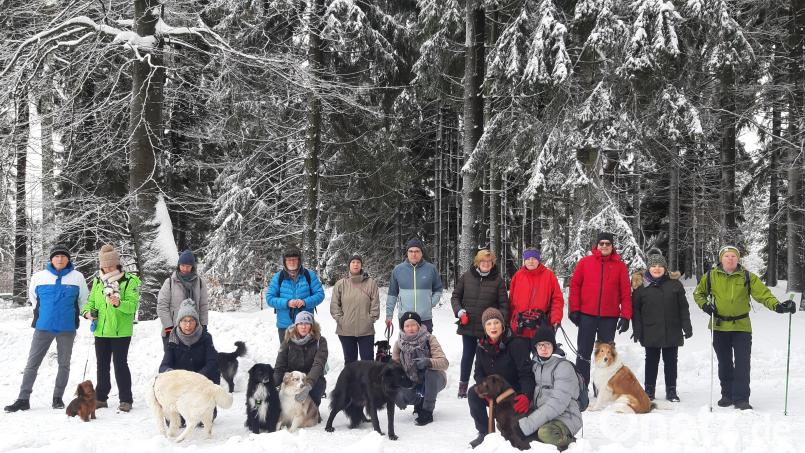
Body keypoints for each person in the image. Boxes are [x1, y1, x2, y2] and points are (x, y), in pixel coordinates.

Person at [693, 245, 796, 410]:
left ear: (738, 259)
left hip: (742, 327)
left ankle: (741, 398)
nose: (730, 259)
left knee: (742, 363)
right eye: (727, 256)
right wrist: (705, 305)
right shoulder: (711, 276)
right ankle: (727, 394)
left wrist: (778, 306)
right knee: (724, 363)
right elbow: (698, 293)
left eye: (733, 256)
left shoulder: (747, 276)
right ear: (721, 258)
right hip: (719, 326)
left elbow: (763, 294)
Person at [4, 244, 89, 412]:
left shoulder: (77, 277)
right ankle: (23, 398)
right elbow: (34, 298)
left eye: (63, 256)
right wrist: (45, 314)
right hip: (43, 327)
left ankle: (57, 398)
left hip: (67, 328)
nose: (60, 259)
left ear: (68, 259)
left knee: (63, 364)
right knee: (32, 364)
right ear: (51, 259)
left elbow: (83, 300)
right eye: (56, 256)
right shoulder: (39, 277)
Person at [80, 244, 141, 412]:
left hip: (121, 331)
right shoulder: (98, 281)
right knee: (102, 365)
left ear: (117, 264)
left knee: (120, 364)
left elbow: (132, 307)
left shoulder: (129, 281)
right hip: (101, 330)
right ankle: (101, 397)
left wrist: (119, 303)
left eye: (111, 265)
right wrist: (87, 314)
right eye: (104, 265)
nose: (107, 268)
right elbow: (90, 302)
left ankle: (126, 399)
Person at [568, 232, 632, 388]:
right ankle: (582, 387)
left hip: (609, 318)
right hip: (586, 316)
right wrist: (574, 309)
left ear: (612, 246)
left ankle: (602, 387)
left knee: (606, 354)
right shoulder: (585, 263)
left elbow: (625, 292)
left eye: (607, 244)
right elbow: (575, 286)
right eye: (601, 243)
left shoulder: (620, 266)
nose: (604, 246)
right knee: (583, 352)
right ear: (596, 245)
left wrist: (626, 316)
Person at [468, 308, 534, 449]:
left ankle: (516, 436)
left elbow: (526, 373)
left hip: (512, 394)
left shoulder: (516, 343)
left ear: (502, 325)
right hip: (492, 393)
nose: (493, 327)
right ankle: (484, 433)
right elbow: (478, 373)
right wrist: (483, 390)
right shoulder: (481, 346)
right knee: (472, 393)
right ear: (485, 328)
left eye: (496, 322)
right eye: (489, 323)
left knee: (513, 432)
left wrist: (526, 395)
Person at [631, 251, 692, 402]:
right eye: (653, 266)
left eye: (660, 266)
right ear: (648, 269)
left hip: (672, 330)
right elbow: (636, 313)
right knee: (651, 361)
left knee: (671, 361)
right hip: (650, 331)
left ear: (665, 268)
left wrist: (687, 326)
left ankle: (671, 390)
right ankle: (649, 390)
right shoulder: (641, 288)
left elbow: (683, 308)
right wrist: (637, 331)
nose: (656, 269)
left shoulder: (675, 285)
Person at [451, 249, 509, 398]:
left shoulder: (498, 281)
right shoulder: (466, 277)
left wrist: (500, 322)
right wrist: (459, 312)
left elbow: (504, 305)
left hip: (488, 329)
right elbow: (456, 296)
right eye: (483, 261)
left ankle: (487, 387)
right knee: (468, 355)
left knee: (486, 358)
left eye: (489, 262)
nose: (486, 264)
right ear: (477, 262)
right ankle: (463, 386)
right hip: (468, 325)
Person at [517, 328, 582, 452]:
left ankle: (571, 441)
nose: (543, 348)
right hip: (544, 415)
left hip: (565, 417)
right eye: (540, 345)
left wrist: (529, 424)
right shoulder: (536, 365)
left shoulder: (563, 367)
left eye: (547, 344)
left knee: (544, 433)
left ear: (553, 346)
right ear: (535, 348)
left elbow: (557, 403)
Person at [392, 312, 448, 426]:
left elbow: (444, 363)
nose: (410, 328)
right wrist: (395, 393)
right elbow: (394, 370)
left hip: (434, 379)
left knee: (430, 372)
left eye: (413, 325)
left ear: (419, 325)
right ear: (403, 328)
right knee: (402, 395)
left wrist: (428, 362)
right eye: (407, 326)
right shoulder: (399, 344)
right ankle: (419, 401)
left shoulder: (429, 339)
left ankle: (427, 411)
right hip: (411, 380)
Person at [266, 248, 325, 343]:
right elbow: (269, 298)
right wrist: (287, 303)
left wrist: (305, 302)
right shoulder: (278, 277)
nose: (291, 262)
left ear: (299, 260)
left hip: (306, 324)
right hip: (285, 326)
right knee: (286, 355)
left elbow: (320, 294)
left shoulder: (309, 275)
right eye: (289, 260)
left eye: (294, 259)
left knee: (309, 355)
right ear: (284, 262)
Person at [386, 239, 444, 333]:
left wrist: (430, 303)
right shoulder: (398, 270)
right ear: (407, 253)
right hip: (405, 318)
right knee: (406, 347)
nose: (414, 254)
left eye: (417, 251)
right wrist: (389, 315)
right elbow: (392, 294)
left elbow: (438, 289)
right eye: (411, 251)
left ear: (421, 253)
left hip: (425, 318)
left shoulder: (431, 269)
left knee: (426, 346)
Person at [330, 254, 380, 363]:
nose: (355, 264)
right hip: (345, 331)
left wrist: (370, 319)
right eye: (353, 262)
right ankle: (351, 381)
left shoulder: (371, 283)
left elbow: (375, 304)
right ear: (349, 265)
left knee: (368, 362)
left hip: (366, 331)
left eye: (358, 262)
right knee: (350, 363)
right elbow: (334, 305)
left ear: (361, 265)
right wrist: (340, 320)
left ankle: (367, 381)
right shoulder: (340, 284)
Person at [273, 311, 329, 408]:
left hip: (312, 379)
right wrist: (273, 385)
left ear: (311, 326)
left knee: (310, 412)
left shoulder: (320, 341)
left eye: (307, 323)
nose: (303, 327)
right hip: (292, 378)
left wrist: (308, 386)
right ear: (296, 325)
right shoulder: (288, 341)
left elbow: (318, 364)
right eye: (300, 323)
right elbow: (279, 366)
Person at [157, 249, 209, 348]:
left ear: (192, 267)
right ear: (178, 265)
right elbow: (162, 306)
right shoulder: (170, 282)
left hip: (194, 331)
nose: (185, 268)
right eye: (182, 265)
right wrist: (168, 327)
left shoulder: (200, 283)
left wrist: (204, 326)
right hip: (173, 331)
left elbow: (203, 306)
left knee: (193, 362)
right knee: (172, 362)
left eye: (188, 266)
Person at [159, 300, 220, 384]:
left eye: (191, 320)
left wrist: (197, 377)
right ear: (179, 323)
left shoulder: (206, 337)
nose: (188, 325)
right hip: (181, 383)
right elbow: (164, 366)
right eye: (184, 320)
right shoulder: (173, 339)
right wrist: (173, 374)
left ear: (196, 322)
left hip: (203, 381)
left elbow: (212, 362)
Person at [508, 248, 564, 339]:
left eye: (534, 258)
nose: (531, 261)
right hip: (519, 327)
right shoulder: (517, 276)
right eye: (528, 259)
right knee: (518, 352)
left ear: (538, 260)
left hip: (541, 326)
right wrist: (509, 321)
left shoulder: (549, 276)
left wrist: (556, 318)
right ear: (524, 260)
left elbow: (557, 299)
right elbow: (511, 301)